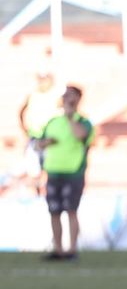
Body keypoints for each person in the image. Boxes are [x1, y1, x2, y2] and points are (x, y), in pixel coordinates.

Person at [36, 85, 93, 261]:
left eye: (71, 95)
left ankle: (72, 249)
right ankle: (58, 249)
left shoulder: (83, 122)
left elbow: (80, 135)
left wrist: (70, 117)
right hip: (53, 173)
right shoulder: (53, 122)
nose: (67, 98)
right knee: (54, 211)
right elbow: (38, 144)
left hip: (73, 173)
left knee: (71, 210)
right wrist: (46, 142)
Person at [18, 68, 58, 191]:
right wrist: (24, 128)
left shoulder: (56, 95)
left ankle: (49, 195)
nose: (42, 82)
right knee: (34, 170)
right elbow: (21, 111)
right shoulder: (33, 95)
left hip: (51, 138)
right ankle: (36, 195)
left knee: (50, 169)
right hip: (35, 136)